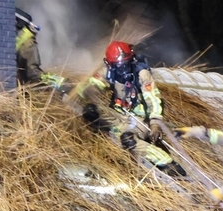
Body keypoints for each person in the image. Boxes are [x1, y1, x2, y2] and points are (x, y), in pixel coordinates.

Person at [71, 41, 180, 173]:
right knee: (90, 111)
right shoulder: (109, 72)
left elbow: (154, 99)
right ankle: (114, 133)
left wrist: (155, 123)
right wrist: (79, 90)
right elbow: (93, 85)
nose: (123, 70)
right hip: (118, 114)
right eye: (118, 66)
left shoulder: (142, 74)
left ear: (132, 60)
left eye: (126, 65)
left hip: (138, 119)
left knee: (127, 138)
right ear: (110, 64)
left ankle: (166, 162)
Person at [14, 8, 66, 91]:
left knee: (32, 72)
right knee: (24, 77)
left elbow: (26, 18)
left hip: (25, 42)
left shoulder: (3, 7)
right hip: (21, 44)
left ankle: (59, 83)